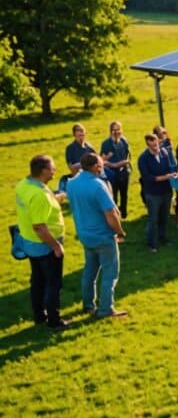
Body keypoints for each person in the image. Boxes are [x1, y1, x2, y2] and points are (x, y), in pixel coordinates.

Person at [66, 153, 128, 319]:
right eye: (101, 164)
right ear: (94, 166)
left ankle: (88, 305)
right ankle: (106, 309)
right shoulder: (97, 185)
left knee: (89, 271)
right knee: (110, 273)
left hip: (85, 235)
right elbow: (110, 214)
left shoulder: (71, 183)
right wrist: (119, 231)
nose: (103, 166)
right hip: (103, 236)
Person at [15, 155, 69, 329]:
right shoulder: (39, 196)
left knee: (37, 281)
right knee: (53, 283)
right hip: (44, 246)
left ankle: (39, 315)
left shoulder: (24, 185)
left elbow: (33, 208)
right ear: (44, 171)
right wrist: (56, 246)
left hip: (29, 243)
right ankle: (54, 320)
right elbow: (39, 227)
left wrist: (55, 198)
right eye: (52, 168)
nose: (55, 171)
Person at [137, 134, 177, 253]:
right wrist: (165, 177)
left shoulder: (164, 152)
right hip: (153, 193)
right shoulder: (143, 158)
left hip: (166, 191)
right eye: (153, 145)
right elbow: (148, 177)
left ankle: (163, 238)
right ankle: (152, 244)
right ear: (148, 145)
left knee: (164, 217)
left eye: (157, 144)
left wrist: (174, 173)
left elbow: (170, 167)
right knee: (153, 219)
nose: (156, 147)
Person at [101, 121, 131, 219]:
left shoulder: (124, 141)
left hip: (123, 172)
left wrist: (125, 164)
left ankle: (124, 214)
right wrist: (114, 164)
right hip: (112, 173)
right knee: (113, 195)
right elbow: (102, 160)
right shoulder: (106, 144)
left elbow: (128, 156)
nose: (116, 132)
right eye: (114, 130)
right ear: (110, 131)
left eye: (118, 129)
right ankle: (114, 215)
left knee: (124, 194)